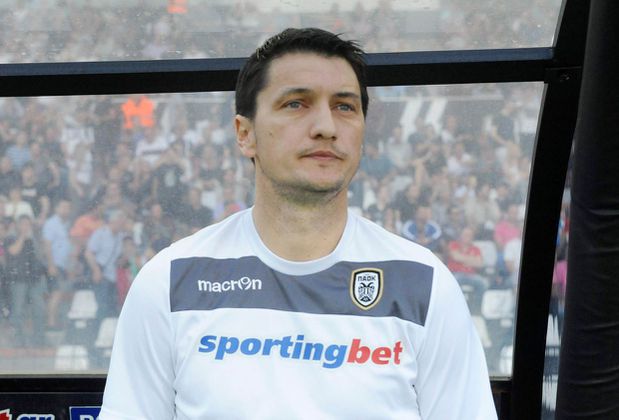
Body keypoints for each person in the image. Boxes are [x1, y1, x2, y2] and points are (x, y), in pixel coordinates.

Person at [100, 28, 496, 419]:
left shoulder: (424, 284)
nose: (326, 126)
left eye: (344, 107)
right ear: (245, 134)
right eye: (296, 104)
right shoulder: (170, 282)